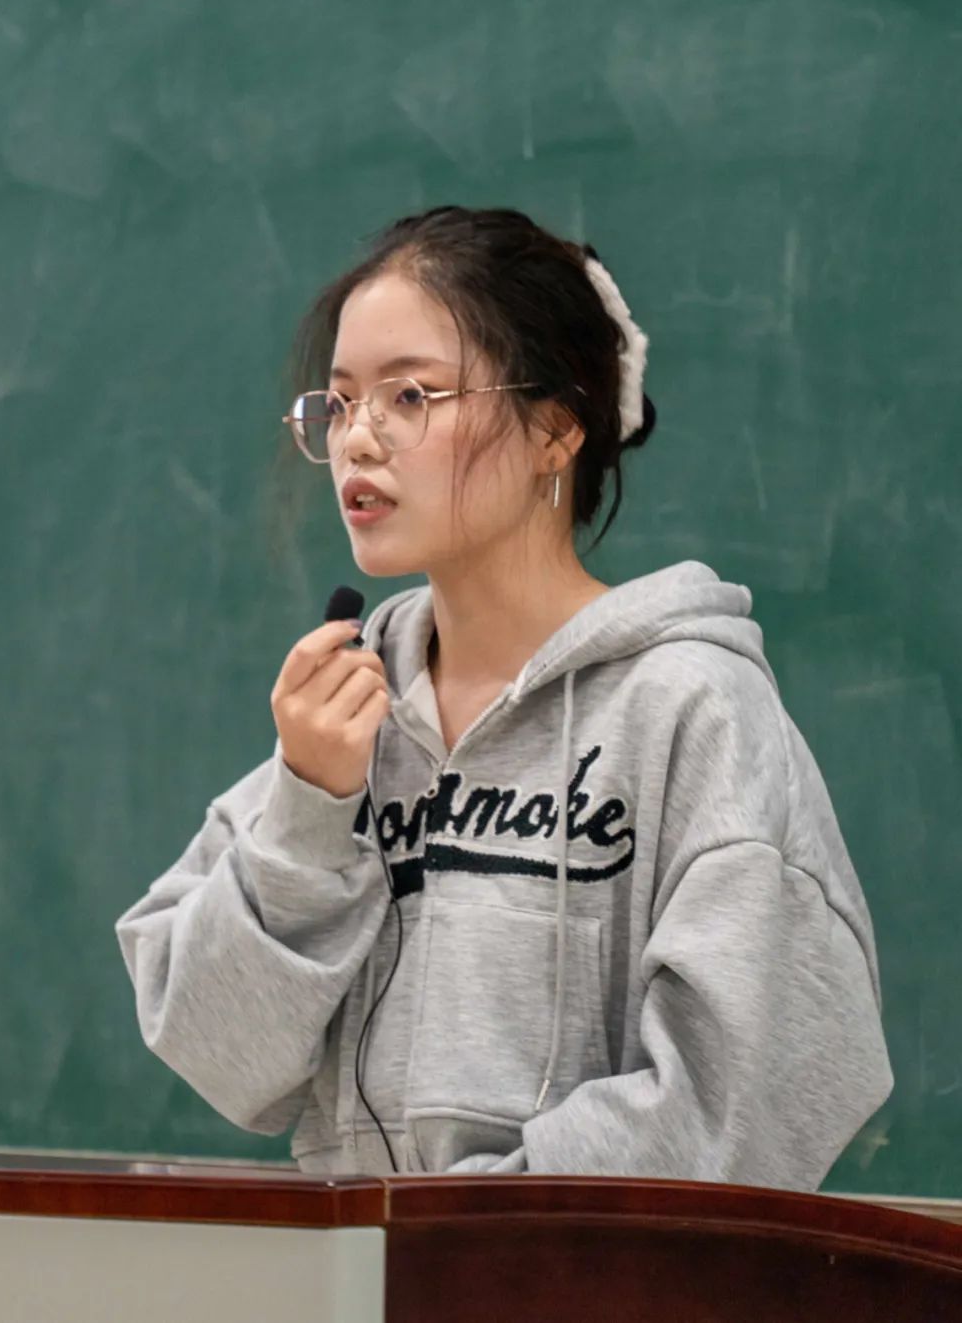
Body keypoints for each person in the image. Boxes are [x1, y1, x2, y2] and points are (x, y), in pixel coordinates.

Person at [115, 205, 893, 1188]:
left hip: (574, 1266)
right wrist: (310, 812)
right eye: (341, 402)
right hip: (356, 1262)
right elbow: (217, 1049)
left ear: (556, 429)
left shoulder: (691, 704)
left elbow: (755, 1094)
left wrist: (471, 1229)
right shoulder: (352, 709)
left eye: (410, 395)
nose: (359, 438)